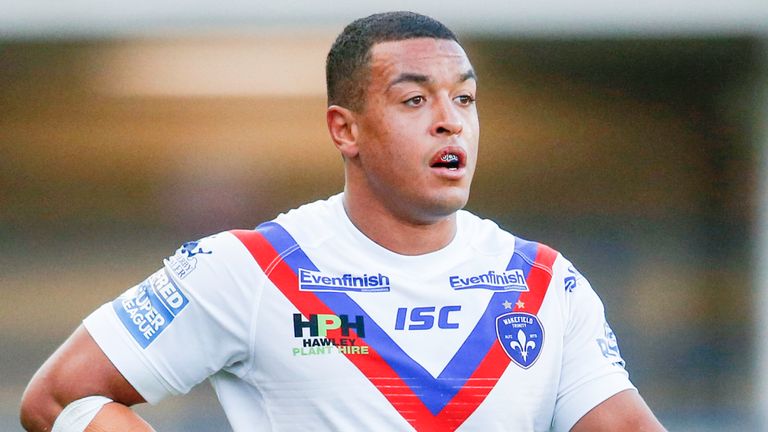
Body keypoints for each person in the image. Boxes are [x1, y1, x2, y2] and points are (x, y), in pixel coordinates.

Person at [20, 11, 666, 432]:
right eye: (415, 99)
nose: (450, 119)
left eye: (464, 97)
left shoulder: (545, 282)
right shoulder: (248, 268)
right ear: (345, 129)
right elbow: (57, 400)